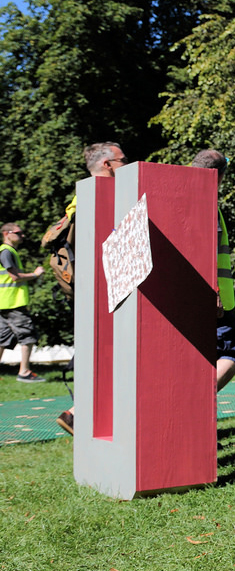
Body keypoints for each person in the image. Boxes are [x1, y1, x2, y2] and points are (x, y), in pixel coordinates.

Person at [55, 142, 127, 434]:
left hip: (89, 290)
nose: (128, 164)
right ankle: (78, 413)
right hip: (100, 290)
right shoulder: (99, 198)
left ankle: (78, 414)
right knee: (109, 355)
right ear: (108, 165)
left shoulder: (79, 200)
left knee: (103, 355)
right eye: (123, 160)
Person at [191, 149, 235, 391]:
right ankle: (196, 405)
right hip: (210, 298)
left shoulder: (181, 195)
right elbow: (207, 249)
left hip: (189, 293)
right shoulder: (205, 202)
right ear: (220, 176)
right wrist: (213, 292)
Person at [0, 223, 48, 382]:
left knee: (2, 338)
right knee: (28, 335)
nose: (22, 236)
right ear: (7, 234)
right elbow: (15, 277)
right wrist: (35, 274)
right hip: (14, 303)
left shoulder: (7, 251)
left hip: (4, 302)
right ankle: (24, 372)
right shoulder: (6, 252)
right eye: (19, 233)